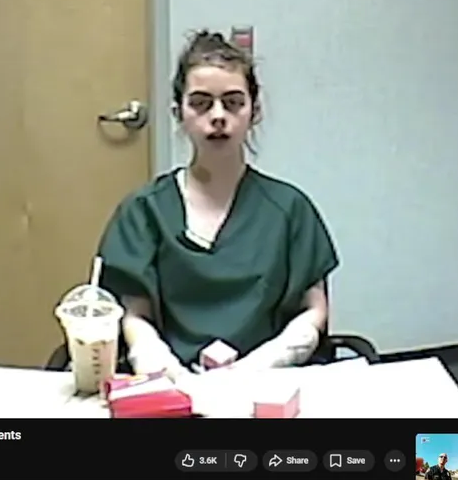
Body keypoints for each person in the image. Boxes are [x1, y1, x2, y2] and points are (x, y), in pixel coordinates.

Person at [97, 30, 340, 380]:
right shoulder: (143, 212)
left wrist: (256, 368)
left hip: (268, 386)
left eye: (233, 102)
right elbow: (134, 317)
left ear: (254, 111)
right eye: (200, 103)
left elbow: (314, 313)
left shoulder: (290, 210)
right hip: (169, 387)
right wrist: (166, 372)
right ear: (178, 113)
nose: (217, 116)